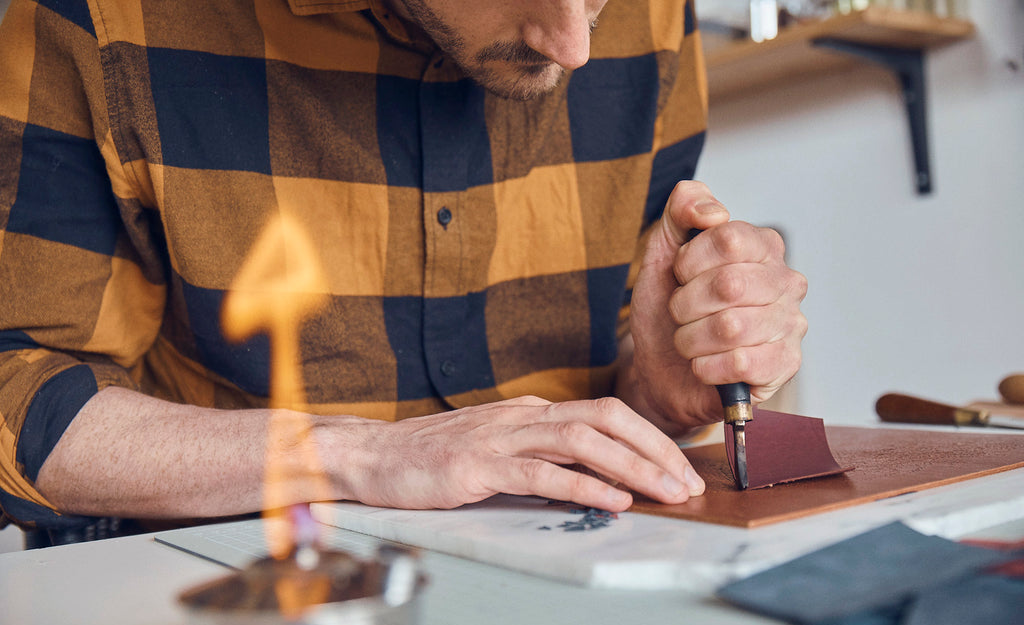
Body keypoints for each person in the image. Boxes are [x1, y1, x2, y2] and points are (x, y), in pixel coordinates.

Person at [0, 0, 807, 545]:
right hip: (237, 582)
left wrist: (661, 393)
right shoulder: (106, 21)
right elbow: (16, 384)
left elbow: (631, 372)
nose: (574, 47)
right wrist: (359, 455)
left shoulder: (655, 15)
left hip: (581, 558)